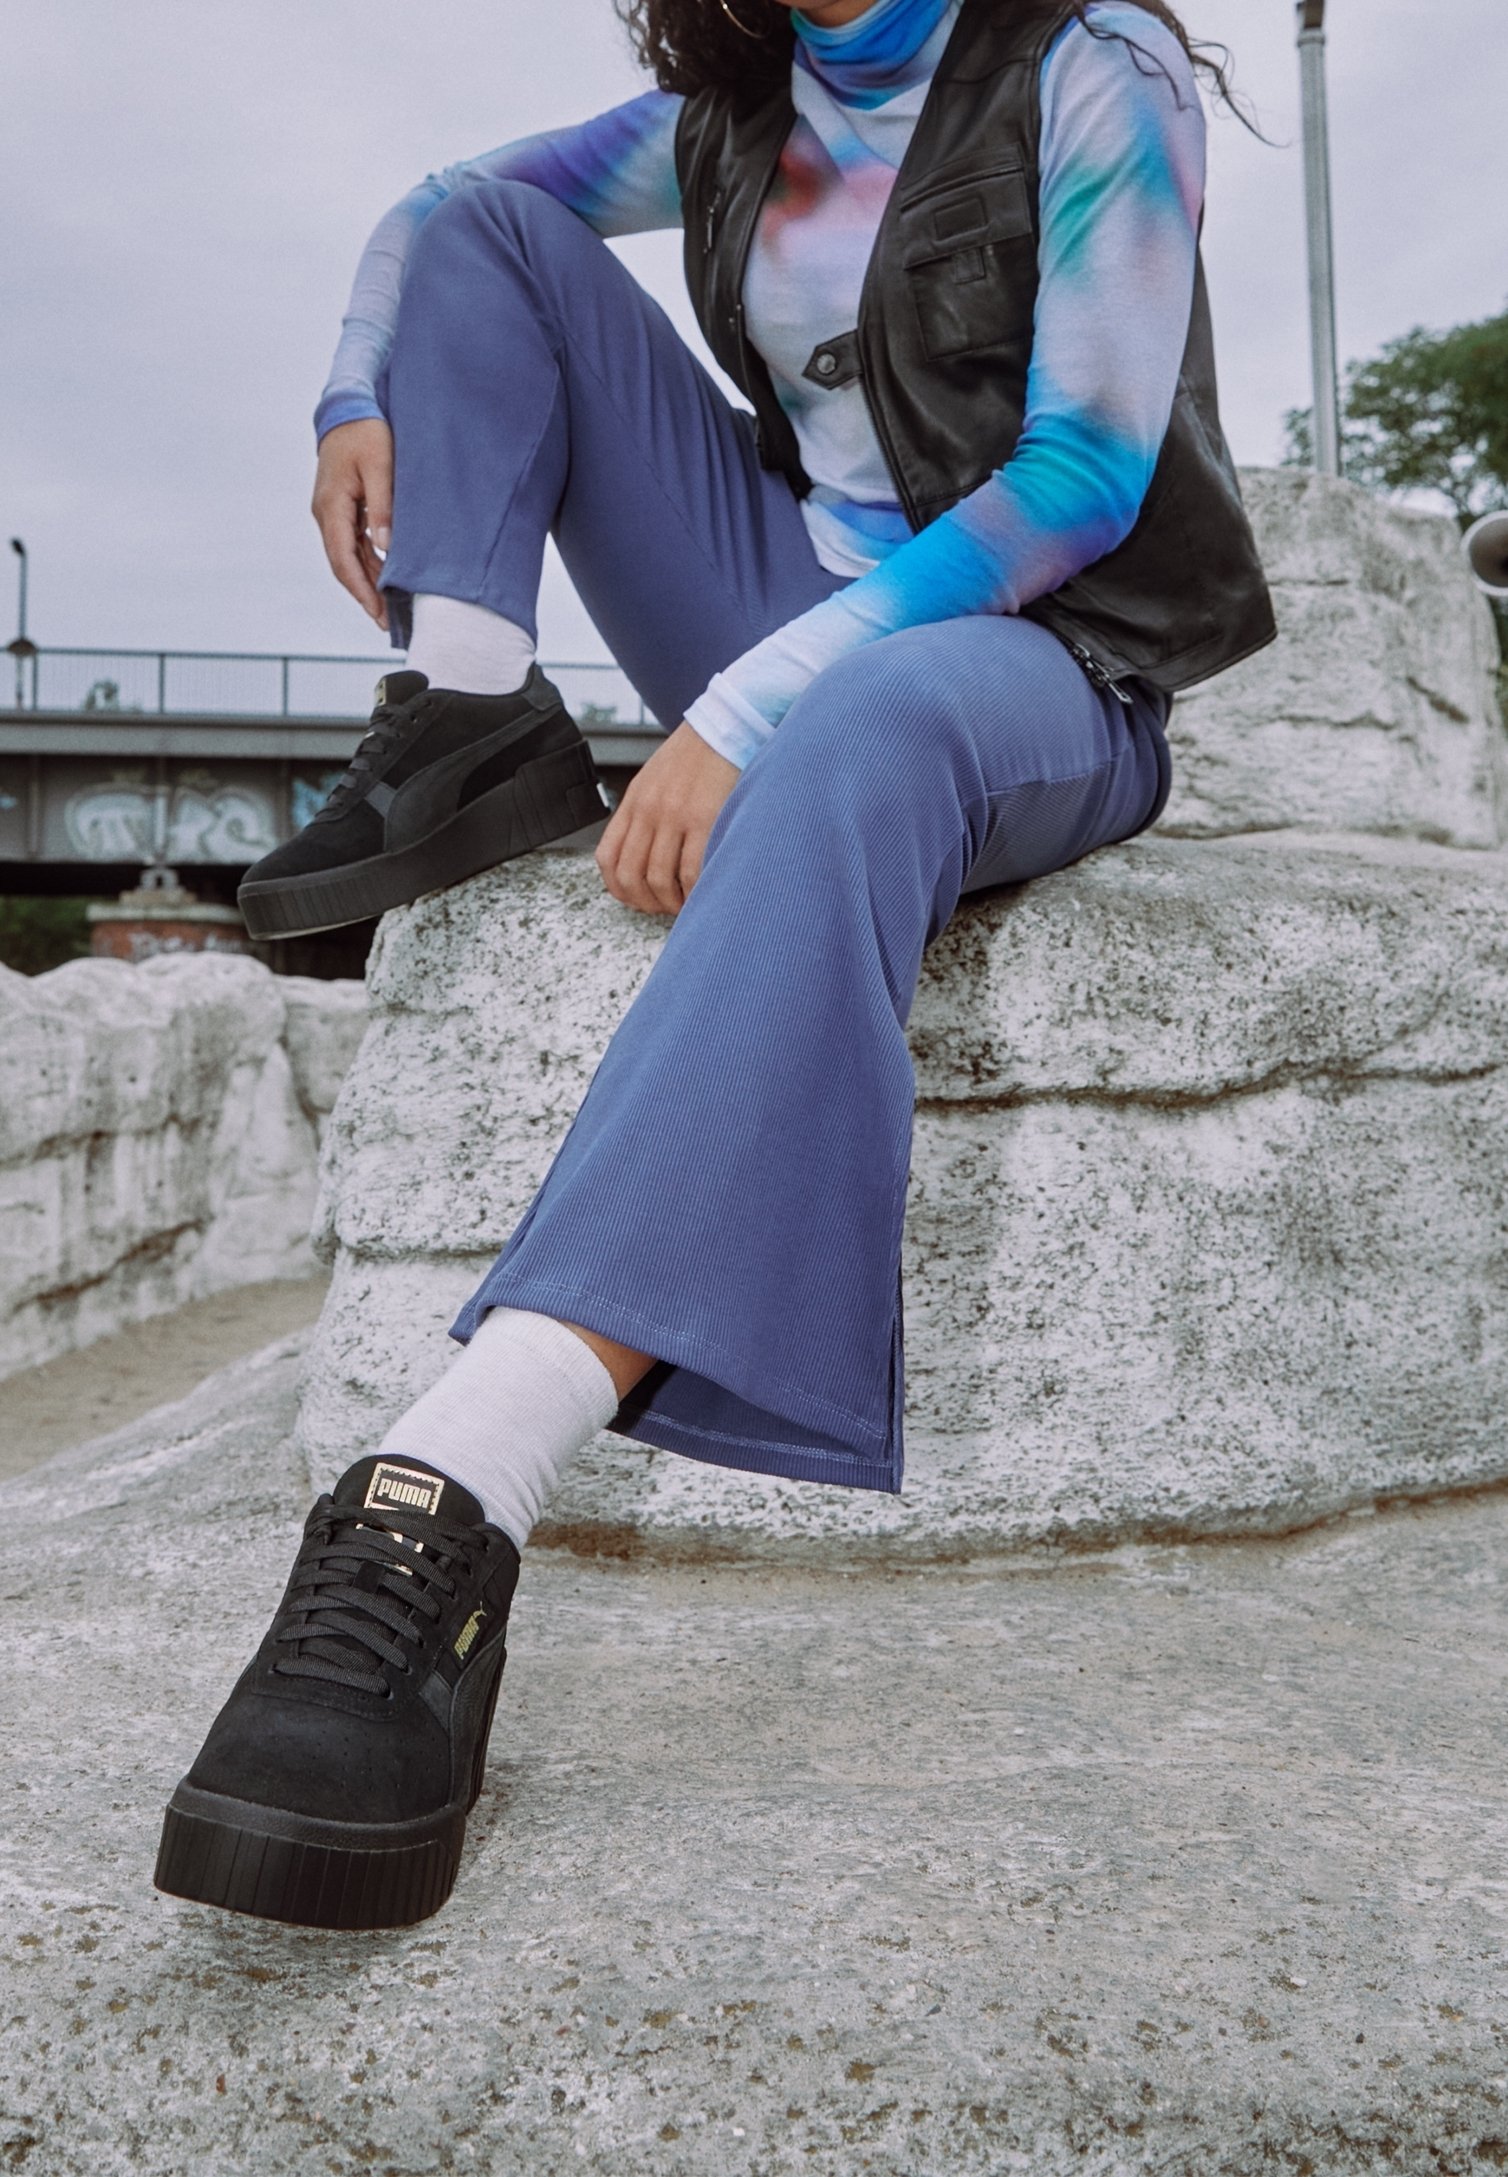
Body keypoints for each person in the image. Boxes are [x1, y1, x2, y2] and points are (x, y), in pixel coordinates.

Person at [155, 0, 1275, 1931]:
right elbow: (441, 201)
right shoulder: (734, 107)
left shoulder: (1086, 59)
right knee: (489, 236)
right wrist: (353, 391)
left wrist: (750, 709)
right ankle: (473, 716)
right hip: (784, 602)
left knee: (858, 730)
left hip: (1042, 659)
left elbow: (1088, 473)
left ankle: (450, 1488)